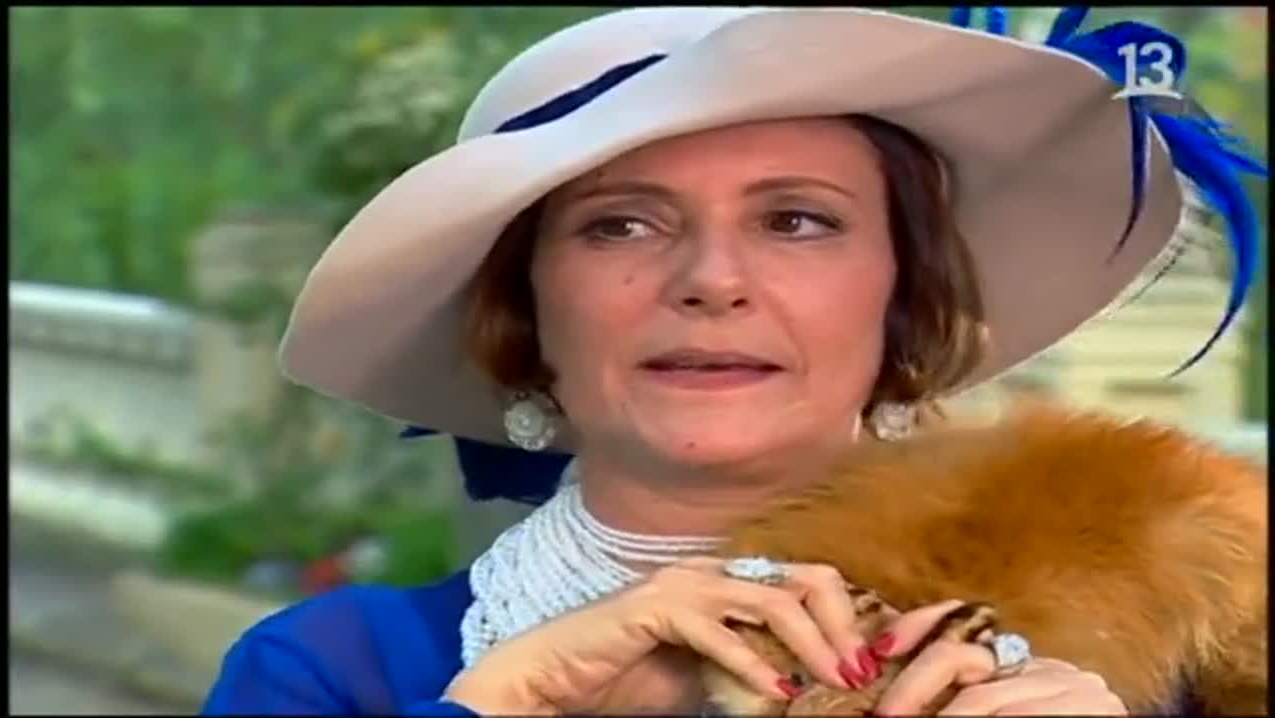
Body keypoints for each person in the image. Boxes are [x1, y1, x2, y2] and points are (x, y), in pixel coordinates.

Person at [202, 6, 1265, 716]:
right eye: (621, 225)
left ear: (904, 298)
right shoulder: (334, 672)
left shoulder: (1168, 622)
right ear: (523, 311)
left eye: (797, 221)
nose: (711, 280)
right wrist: (504, 702)